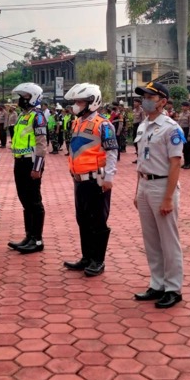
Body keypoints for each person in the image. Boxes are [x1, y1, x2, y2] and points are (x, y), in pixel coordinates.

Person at [133, 81, 184, 309]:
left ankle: (173, 288)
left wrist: (167, 198)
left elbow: (175, 164)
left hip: (163, 186)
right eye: (143, 96)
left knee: (168, 241)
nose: (144, 100)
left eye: (149, 97)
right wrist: (137, 191)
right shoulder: (143, 125)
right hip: (145, 185)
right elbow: (142, 160)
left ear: (162, 102)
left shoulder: (171, 128)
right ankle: (157, 283)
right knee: (151, 240)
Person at [63, 82, 118, 277]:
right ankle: (86, 257)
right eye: (76, 101)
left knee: (98, 221)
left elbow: (112, 152)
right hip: (79, 180)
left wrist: (109, 178)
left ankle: (98, 261)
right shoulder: (77, 122)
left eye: (80, 102)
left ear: (92, 102)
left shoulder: (103, 124)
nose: (76, 105)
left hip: (97, 180)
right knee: (83, 219)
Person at [8, 83, 48, 254]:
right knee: (25, 200)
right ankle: (29, 236)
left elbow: (41, 144)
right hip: (19, 161)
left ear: (32, 97)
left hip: (32, 163)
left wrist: (37, 168)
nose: (20, 100)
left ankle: (37, 240)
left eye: (24, 96)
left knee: (34, 201)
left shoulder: (38, 116)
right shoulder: (23, 116)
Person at [178, 102, 190, 170]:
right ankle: (185, 162)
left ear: (188, 107)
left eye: (184, 106)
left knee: (188, 148)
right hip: (182, 131)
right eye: (182, 106)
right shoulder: (180, 114)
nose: (183, 107)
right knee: (184, 148)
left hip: (187, 131)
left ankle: (189, 163)